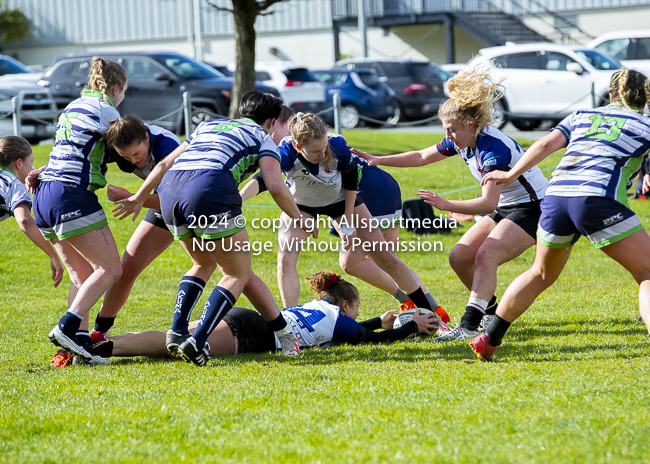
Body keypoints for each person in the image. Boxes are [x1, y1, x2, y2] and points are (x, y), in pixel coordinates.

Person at [352, 66, 548, 343]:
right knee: (460, 257)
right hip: (507, 205)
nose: (448, 135)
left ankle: (469, 326)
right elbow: (421, 156)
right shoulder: (461, 141)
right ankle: (490, 312)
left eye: (451, 129)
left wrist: (445, 204)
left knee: (485, 256)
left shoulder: (493, 149)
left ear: (470, 124)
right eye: (446, 129)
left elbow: (485, 204)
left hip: (534, 207)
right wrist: (380, 159)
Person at [116, 90, 312, 366]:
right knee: (236, 273)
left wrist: (139, 197)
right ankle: (197, 340)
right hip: (209, 188)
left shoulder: (208, 125)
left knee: (203, 262)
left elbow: (163, 163)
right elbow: (277, 186)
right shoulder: (262, 138)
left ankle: (178, 329)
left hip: (171, 191)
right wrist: (300, 218)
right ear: (270, 121)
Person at [472, 69, 650, 361]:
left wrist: (511, 174)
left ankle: (489, 338)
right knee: (647, 272)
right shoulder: (644, 124)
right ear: (644, 99)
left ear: (609, 96)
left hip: (555, 199)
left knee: (540, 273)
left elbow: (544, 144)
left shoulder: (581, 115)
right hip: (596, 199)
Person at [242, 117, 445, 320]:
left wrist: (347, 218)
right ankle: (293, 323)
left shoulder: (336, 146)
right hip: (302, 206)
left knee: (386, 258)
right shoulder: (285, 153)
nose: (322, 155)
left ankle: (431, 311)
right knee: (286, 260)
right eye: (315, 151)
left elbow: (350, 180)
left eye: (324, 148)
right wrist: (239, 199)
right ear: (298, 145)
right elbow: (262, 181)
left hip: (340, 201)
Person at [88, 271, 439, 360]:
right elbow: (370, 341)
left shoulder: (321, 310)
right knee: (171, 349)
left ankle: (100, 343)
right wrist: (411, 328)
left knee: (173, 338)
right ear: (345, 304)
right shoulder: (336, 317)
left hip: (249, 319)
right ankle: (104, 349)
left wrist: (380, 319)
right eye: (357, 310)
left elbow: (357, 330)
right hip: (252, 333)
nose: (357, 316)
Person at [30, 57, 127, 364]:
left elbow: (69, 150)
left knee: (82, 276)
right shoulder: (107, 109)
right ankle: (67, 327)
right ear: (114, 88)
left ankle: (78, 346)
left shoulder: (71, 107)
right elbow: (125, 148)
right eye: (124, 91)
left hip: (44, 193)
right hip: (70, 194)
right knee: (111, 269)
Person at [87, 115, 184, 337]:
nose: (133, 161)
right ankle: (98, 334)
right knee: (127, 268)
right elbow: (79, 157)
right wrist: (44, 170)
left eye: (137, 154)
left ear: (147, 138)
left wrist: (134, 198)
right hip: (163, 201)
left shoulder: (168, 149)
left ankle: (276, 323)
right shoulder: (118, 141)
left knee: (228, 268)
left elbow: (178, 201)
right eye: (125, 156)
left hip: (199, 205)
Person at [0, 136, 63, 287]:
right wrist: (53, 255)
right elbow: (24, 220)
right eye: (32, 161)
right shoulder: (14, 185)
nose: (34, 167)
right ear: (19, 163)